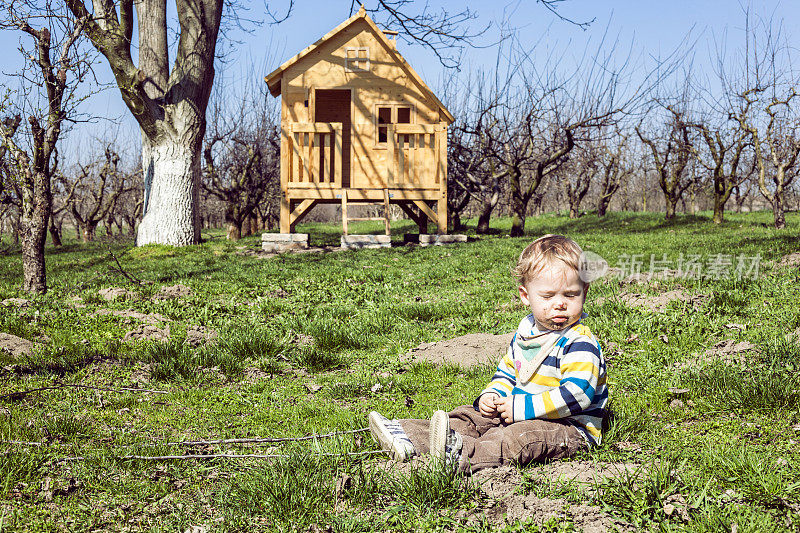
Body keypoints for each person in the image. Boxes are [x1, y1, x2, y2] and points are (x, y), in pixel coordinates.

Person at [368, 234, 608, 473]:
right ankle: (408, 435)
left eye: (570, 294)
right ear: (526, 296)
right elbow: (509, 372)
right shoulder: (526, 334)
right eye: (547, 296)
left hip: (569, 427)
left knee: (519, 438)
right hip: (521, 410)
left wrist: (521, 408)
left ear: (584, 292)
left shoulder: (579, 342)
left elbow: (578, 394)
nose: (560, 304)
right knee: (470, 416)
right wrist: (493, 395)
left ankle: (462, 454)